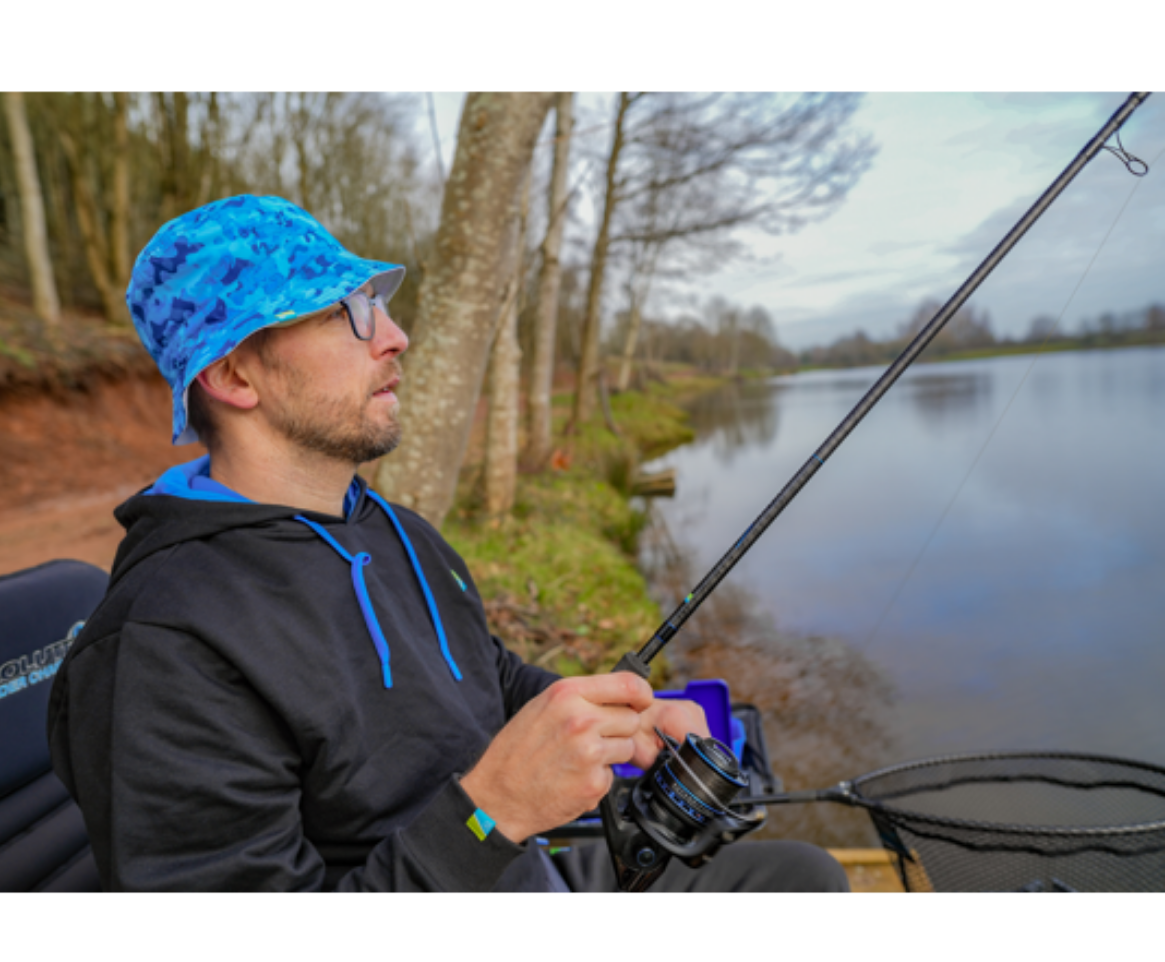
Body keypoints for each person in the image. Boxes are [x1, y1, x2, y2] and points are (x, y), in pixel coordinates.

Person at [48, 195, 848, 894]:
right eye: (346, 312)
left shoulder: (386, 527)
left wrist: (624, 719)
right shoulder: (160, 648)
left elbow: (486, 676)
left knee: (803, 877)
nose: (394, 335)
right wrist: (491, 814)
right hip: (483, 860)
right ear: (235, 378)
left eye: (379, 304)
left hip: (520, 871)